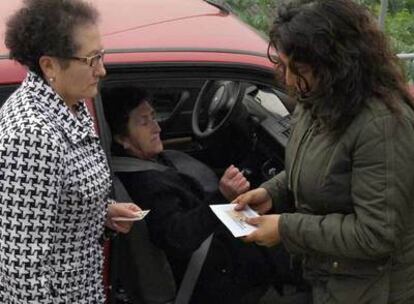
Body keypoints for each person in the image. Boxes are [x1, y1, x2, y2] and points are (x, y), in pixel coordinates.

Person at [234, 0, 414, 303]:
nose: (289, 81)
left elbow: (376, 233)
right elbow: (320, 170)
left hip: (373, 289)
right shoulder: (317, 99)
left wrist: (286, 228)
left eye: (299, 69)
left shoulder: (381, 125)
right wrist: (272, 193)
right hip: (330, 275)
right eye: (284, 66)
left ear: (338, 64)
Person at [0, 1, 141, 303]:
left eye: (101, 56)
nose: (102, 70)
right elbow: (21, 269)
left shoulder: (69, 102)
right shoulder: (32, 136)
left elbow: (56, 200)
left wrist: (100, 212)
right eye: (91, 60)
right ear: (49, 65)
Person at [103, 87, 288, 304]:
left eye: (154, 117)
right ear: (121, 139)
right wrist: (222, 195)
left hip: (228, 257)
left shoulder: (151, 162)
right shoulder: (147, 186)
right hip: (220, 281)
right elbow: (178, 238)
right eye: (144, 122)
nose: (157, 127)